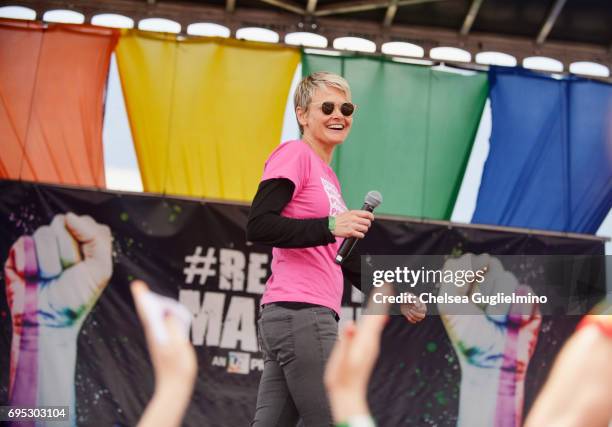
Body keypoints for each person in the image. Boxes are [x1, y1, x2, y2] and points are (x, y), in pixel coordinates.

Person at [247, 71, 425, 426]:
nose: (338, 115)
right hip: (302, 313)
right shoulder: (294, 153)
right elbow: (259, 224)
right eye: (326, 106)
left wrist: (393, 294)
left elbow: (343, 257)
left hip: (293, 315)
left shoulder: (328, 177)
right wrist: (330, 225)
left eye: (346, 107)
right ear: (302, 115)